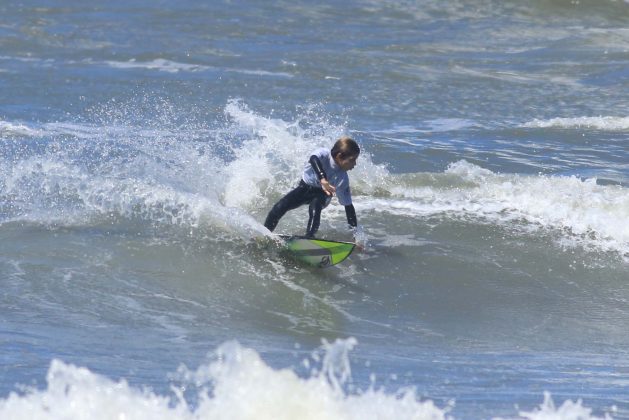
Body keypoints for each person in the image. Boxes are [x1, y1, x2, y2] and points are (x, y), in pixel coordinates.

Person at [264, 136, 360, 238]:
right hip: (305, 188)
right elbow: (314, 159)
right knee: (280, 207)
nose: (354, 164)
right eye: (352, 160)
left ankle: (309, 238)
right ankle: (264, 233)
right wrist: (323, 179)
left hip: (323, 194)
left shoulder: (343, 178)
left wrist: (356, 236)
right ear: (340, 156)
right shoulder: (324, 154)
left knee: (315, 207)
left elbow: (348, 207)